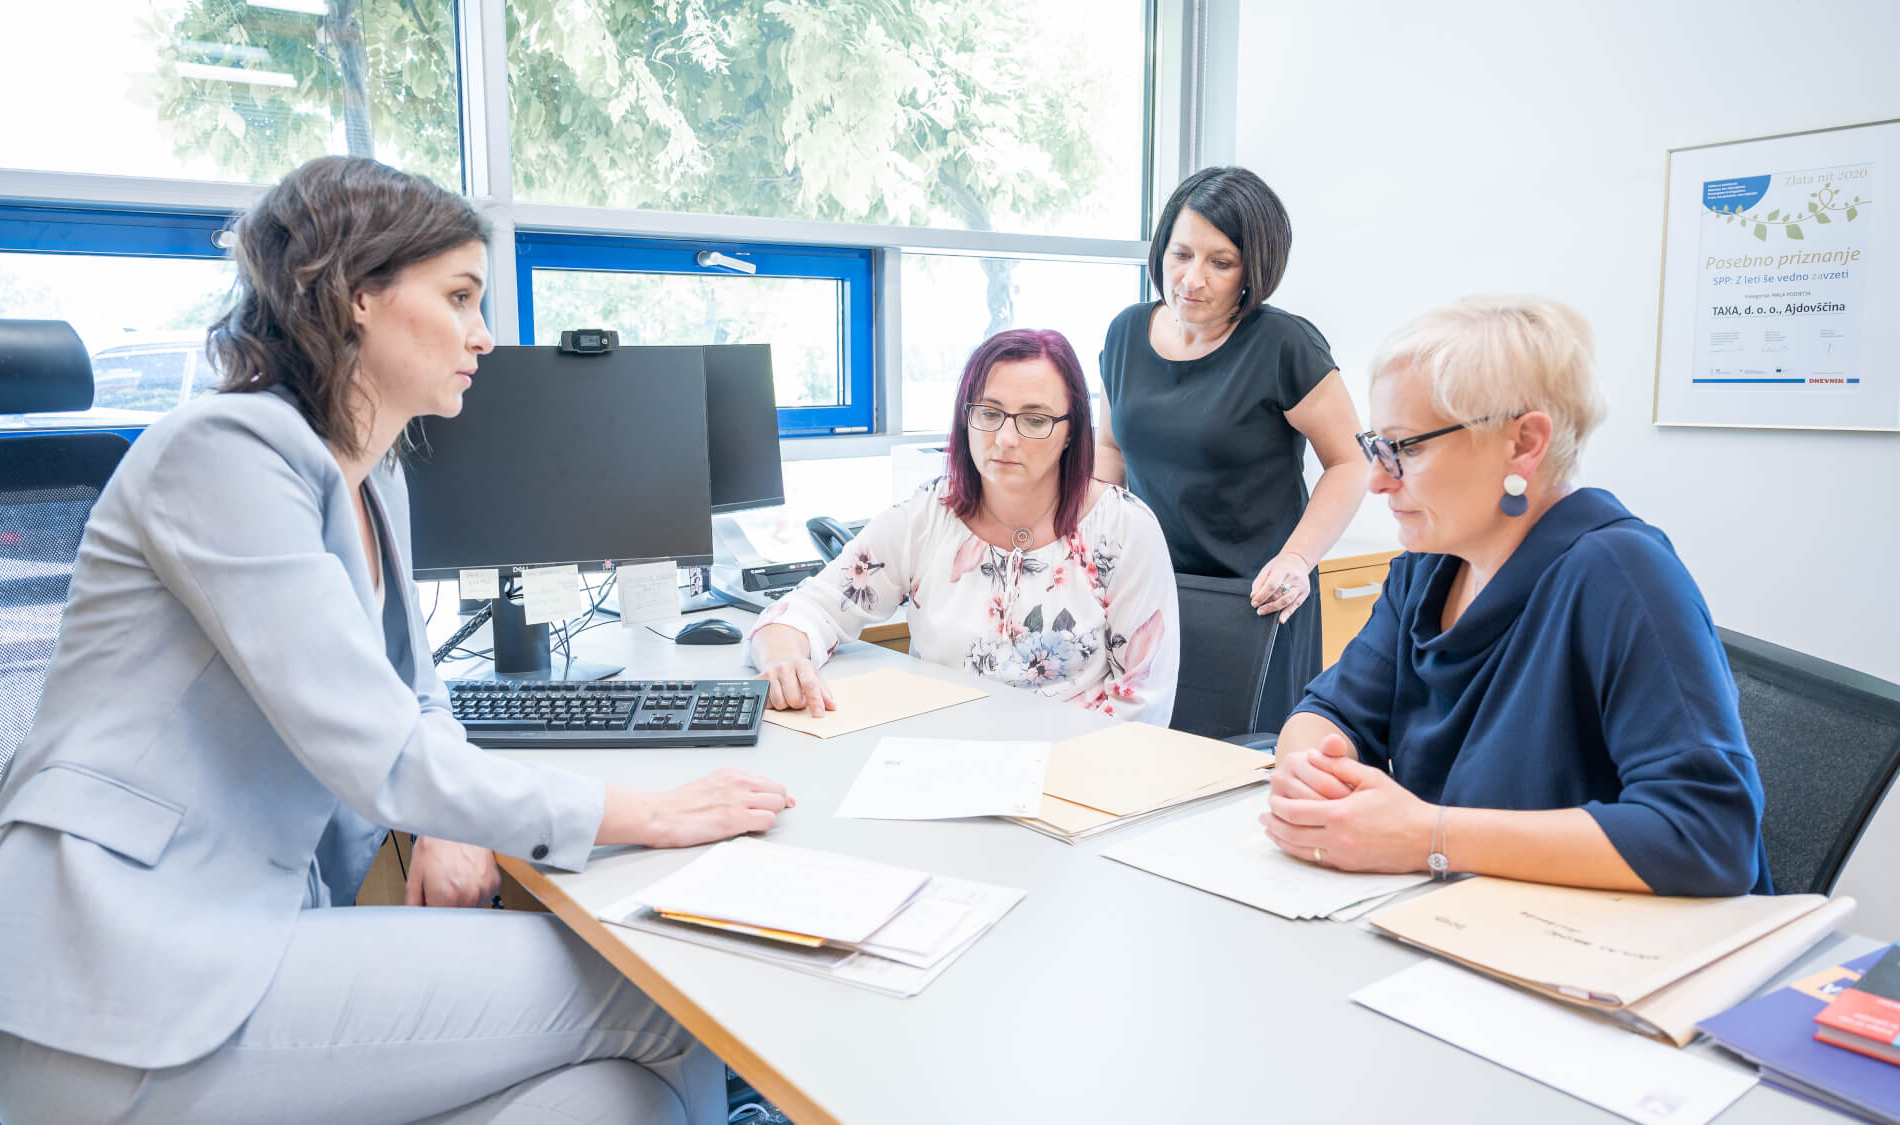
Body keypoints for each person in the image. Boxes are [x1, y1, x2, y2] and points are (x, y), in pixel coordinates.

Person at [0, 156, 794, 1125]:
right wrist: (647, 812)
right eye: (460, 297)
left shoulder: (376, 481)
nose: (484, 335)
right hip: (117, 990)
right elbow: (369, 741)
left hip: (241, 943)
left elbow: (415, 704)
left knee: (616, 1097)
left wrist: (446, 816)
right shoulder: (224, 454)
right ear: (355, 297)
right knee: (665, 996)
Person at [1261, 297, 1769, 896]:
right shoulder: (1428, 567)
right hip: (1464, 919)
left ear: (1524, 443)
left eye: (1410, 448)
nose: (1377, 478)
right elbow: (1334, 713)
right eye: (1379, 446)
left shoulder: (1623, 575)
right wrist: (1309, 775)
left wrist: (1427, 837)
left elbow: (1711, 835)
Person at [750, 329, 1181, 725]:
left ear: (1070, 432)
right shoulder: (927, 517)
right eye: (990, 413)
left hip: (1077, 777)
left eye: (1034, 420)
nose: (1005, 438)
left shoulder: (1125, 531)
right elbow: (811, 610)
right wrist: (783, 657)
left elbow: (1140, 706)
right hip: (937, 762)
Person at [1094, 166, 1365, 729]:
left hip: (1258, 599)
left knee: (1241, 766)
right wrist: (1088, 553)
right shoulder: (1125, 335)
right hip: (1150, 592)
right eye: (1181, 254)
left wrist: (1297, 559)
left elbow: (1349, 461)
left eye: (1220, 262)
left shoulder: (1282, 345)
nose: (1192, 279)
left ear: (1252, 269)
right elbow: (1110, 452)